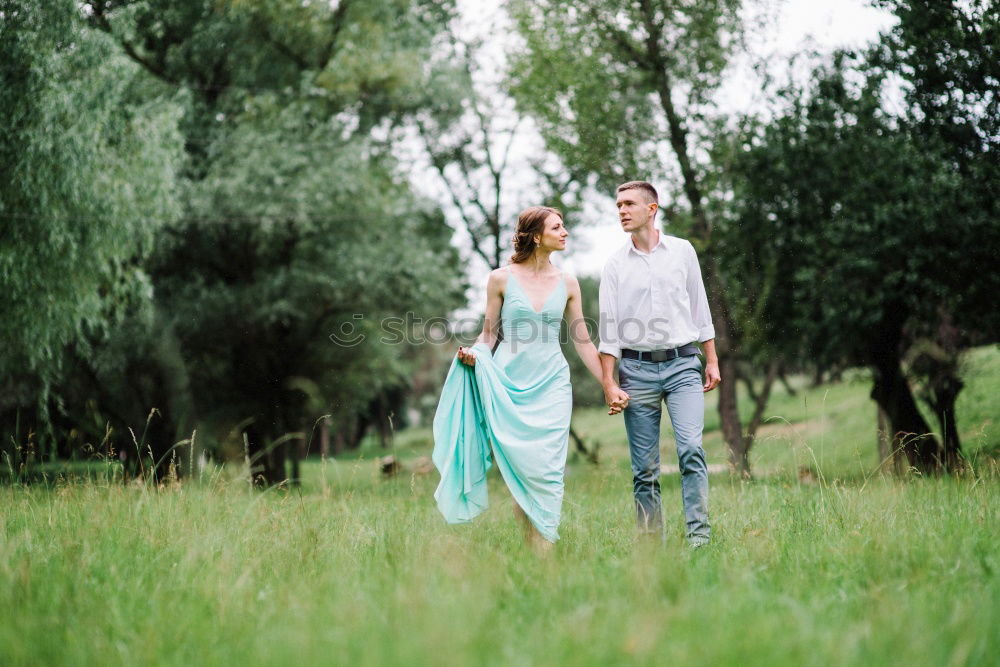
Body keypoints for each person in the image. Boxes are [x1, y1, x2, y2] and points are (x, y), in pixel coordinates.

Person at [432, 206, 617, 550]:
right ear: (536, 236)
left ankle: (543, 550)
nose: (565, 233)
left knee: (547, 471)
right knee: (521, 470)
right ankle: (534, 548)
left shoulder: (568, 282)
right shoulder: (500, 279)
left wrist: (609, 383)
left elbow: (583, 341)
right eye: (557, 227)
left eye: (564, 227)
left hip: (552, 385)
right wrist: (475, 354)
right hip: (508, 386)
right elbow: (488, 335)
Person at [598, 181, 721, 548]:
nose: (621, 210)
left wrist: (711, 359)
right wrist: (609, 383)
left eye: (629, 204)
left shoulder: (683, 252)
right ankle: (652, 547)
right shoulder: (614, 266)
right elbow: (608, 331)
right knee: (645, 470)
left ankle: (699, 540)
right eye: (618, 205)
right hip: (635, 372)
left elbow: (700, 308)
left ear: (652, 209)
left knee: (691, 450)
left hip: (684, 365)